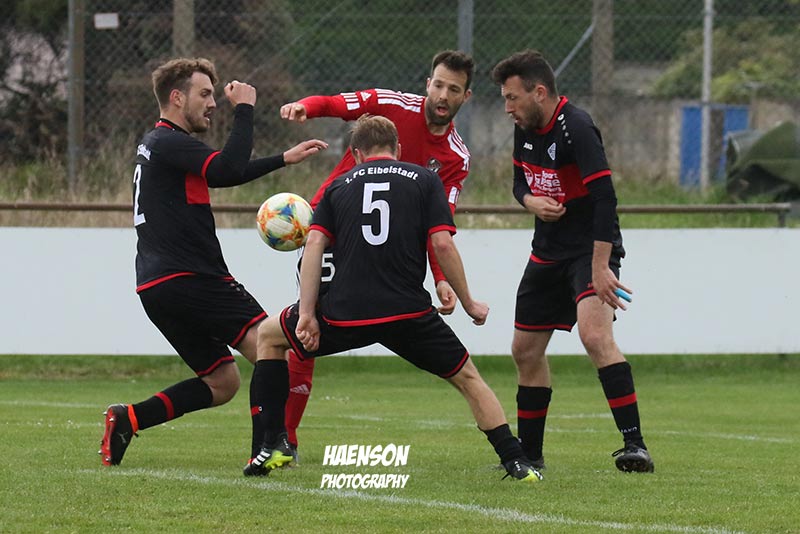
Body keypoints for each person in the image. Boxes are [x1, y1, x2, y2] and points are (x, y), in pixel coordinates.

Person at [245, 115, 542, 482]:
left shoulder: (337, 187)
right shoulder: (425, 180)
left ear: (356, 154)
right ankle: (516, 462)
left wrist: (307, 313)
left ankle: (273, 442)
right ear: (398, 149)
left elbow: (315, 246)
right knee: (469, 379)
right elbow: (442, 244)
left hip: (345, 313)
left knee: (268, 336)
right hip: (408, 314)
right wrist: (468, 302)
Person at [98, 57, 328, 467]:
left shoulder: (159, 144)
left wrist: (282, 158)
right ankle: (270, 447)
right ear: (176, 97)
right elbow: (227, 165)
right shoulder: (168, 140)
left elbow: (221, 174)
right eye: (204, 94)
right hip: (193, 277)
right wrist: (245, 108)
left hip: (157, 286)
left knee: (222, 382)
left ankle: (129, 419)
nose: (212, 103)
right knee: (272, 343)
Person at [268, 50, 475, 464]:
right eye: (437, 84)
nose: (442, 95)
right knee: (306, 331)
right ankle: (284, 439)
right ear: (427, 84)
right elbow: (337, 103)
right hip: (333, 236)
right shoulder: (392, 106)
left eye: (453, 89)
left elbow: (439, 227)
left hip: (390, 252)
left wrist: (441, 278)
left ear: (465, 97)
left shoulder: (455, 158)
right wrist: (305, 107)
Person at [490, 50, 654, 473]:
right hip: (547, 251)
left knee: (595, 335)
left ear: (539, 92)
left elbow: (605, 198)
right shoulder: (525, 128)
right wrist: (531, 202)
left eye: (512, 98)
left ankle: (635, 446)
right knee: (524, 351)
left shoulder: (576, 127)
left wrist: (601, 267)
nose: (507, 108)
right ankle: (530, 455)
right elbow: (518, 183)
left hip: (588, 250)